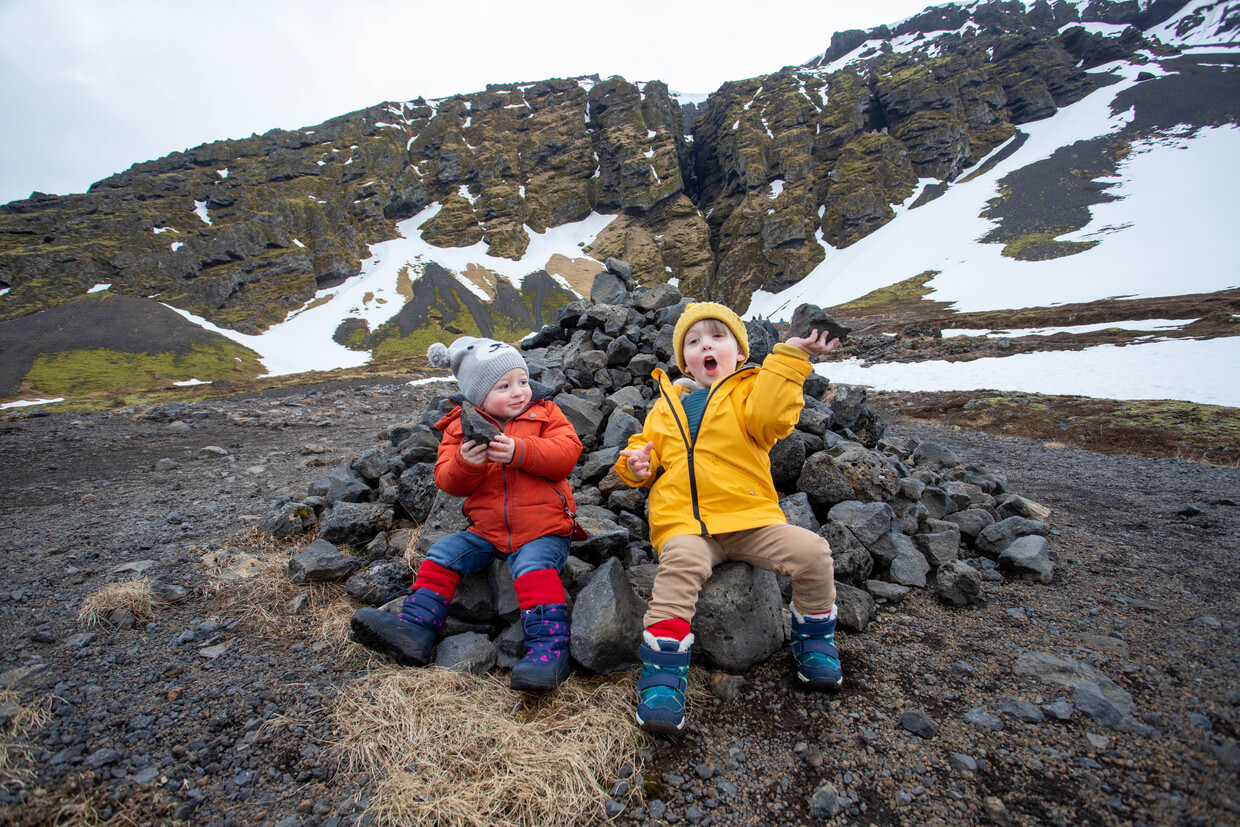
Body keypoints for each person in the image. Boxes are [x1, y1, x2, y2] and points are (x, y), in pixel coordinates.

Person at [615, 302, 844, 733]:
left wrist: (790, 357)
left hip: (750, 521)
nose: (707, 345)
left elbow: (774, 417)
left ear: (739, 353)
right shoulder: (665, 406)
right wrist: (634, 467)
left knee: (813, 552)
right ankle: (663, 675)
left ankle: (814, 641)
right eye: (695, 340)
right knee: (680, 565)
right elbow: (642, 453)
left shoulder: (750, 392)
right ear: (685, 360)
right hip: (685, 525)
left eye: (718, 337)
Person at [350, 336, 583, 692]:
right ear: (477, 394)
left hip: (545, 529)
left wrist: (521, 451)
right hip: (487, 530)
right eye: (503, 386)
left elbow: (567, 453)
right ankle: (416, 630)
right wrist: (466, 463)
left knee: (533, 569)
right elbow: (447, 480)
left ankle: (549, 651)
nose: (519, 391)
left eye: (522, 380)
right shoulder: (458, 426)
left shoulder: (545, 411)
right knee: (443, 554)